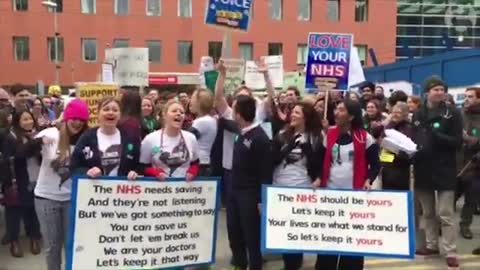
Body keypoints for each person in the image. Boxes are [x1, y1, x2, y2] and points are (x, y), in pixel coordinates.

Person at [316, 99, 380, 270]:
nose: (336, 113)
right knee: (329, 239)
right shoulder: (328, 133)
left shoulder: (364, 137)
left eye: (341, 110)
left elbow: (375, 164)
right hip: (330, 195)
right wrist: (317, 178)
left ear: (351, 116)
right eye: (336, 109)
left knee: (351, 241)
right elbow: (319, 160)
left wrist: (368, 180)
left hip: (354, 196)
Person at [412, 76, 462, 269]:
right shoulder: (418, 113)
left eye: (442, 89)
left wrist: (436, 135)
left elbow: (457, 142)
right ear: (427, 93)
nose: (439, 92)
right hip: (423, 167)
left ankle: (450, 251)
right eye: (436, 90)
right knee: (428, 212)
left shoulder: (453, 113)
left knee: (445, 213)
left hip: (445, 168)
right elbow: (415, 138)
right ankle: (432, 246)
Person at [34, 99, 89, 270]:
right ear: (66, 118)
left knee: (71, 245)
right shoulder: (51, 133)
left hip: (72, 200)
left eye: (82, 120)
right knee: (52, 246)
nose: (77, 122)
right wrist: (37, 143)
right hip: (46, 198)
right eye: (74, 118)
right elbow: (22, 153)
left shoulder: (87, 140)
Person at [272, 101, 324, 270]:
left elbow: (320, 163)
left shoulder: (316, 137)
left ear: (306, 118)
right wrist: (288, 147)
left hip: (301, 189)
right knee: (283, 232)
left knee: (296, 232)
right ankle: (290, 263)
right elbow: (272, 159)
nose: (292, 115)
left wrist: (318, 178)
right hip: (279, 187)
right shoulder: (283, 134)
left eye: (297, 113)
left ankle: (293, 265)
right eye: (292, 112)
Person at [228, 95, 272, 270]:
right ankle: (240, 264)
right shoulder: (240, 132)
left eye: (233, 108)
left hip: (250, 195)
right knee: (234, 233)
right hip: (234, 191)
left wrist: (262, 199)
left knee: (251, 236)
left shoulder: (260, 137)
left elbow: (265, 171)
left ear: (238, 113)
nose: (231, 111)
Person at [2, 109, 43, 257]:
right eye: (24, 120)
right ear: (17, 122)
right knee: (14, 212)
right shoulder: (10, 137)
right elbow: (16, 156)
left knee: (33, 209)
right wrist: (35, 143)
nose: (29, 122)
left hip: (35, 178)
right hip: (15, 181)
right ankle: (14, 241)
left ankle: (34, 237)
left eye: (30, 119)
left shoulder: (37, 134)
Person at [70, 97, 140, 180]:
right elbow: (74, 167)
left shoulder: (130, 138)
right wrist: (87, 172)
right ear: (98, 114)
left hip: (121, 190)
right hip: (93, 189)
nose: (111, 113)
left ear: (119, 115)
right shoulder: (87, 137)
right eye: (106, 109)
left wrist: (134, 173)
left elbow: (138, 166)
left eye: (115, 110)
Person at [139, 100, 199, 181]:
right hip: (159, 189)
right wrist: (155, 172)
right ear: (164, 115)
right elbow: (142, 167)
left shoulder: (191, 138)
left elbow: (196, 162)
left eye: (182, 112)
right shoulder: (150, 139)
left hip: (184, 189)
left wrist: (192, 171)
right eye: (174, 111)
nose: (178, 114)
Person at [457, 87, 480, 240]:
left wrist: (472, 141)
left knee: (471, 200)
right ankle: (441, 225)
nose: (466, 99)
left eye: (470, 96)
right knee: (449, 198)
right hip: (456, 163)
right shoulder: (458, 115)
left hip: (475, 166)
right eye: (465, 96)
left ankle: (465, 225)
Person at [379, 102, 412, 190]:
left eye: (398, 112)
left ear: (405, 114)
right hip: (387, 164)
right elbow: (382, 136)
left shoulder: (408, 127)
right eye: (393, 112)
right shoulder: (390, 125)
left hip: (401, 166)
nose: (395, 115)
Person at [189, 89, 217, 176]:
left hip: (199, 163)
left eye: (193, 98)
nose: (190, 102)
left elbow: (186, 139)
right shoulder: (210, 120)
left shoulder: (202, 122)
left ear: (200, 102)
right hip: (204, 162)